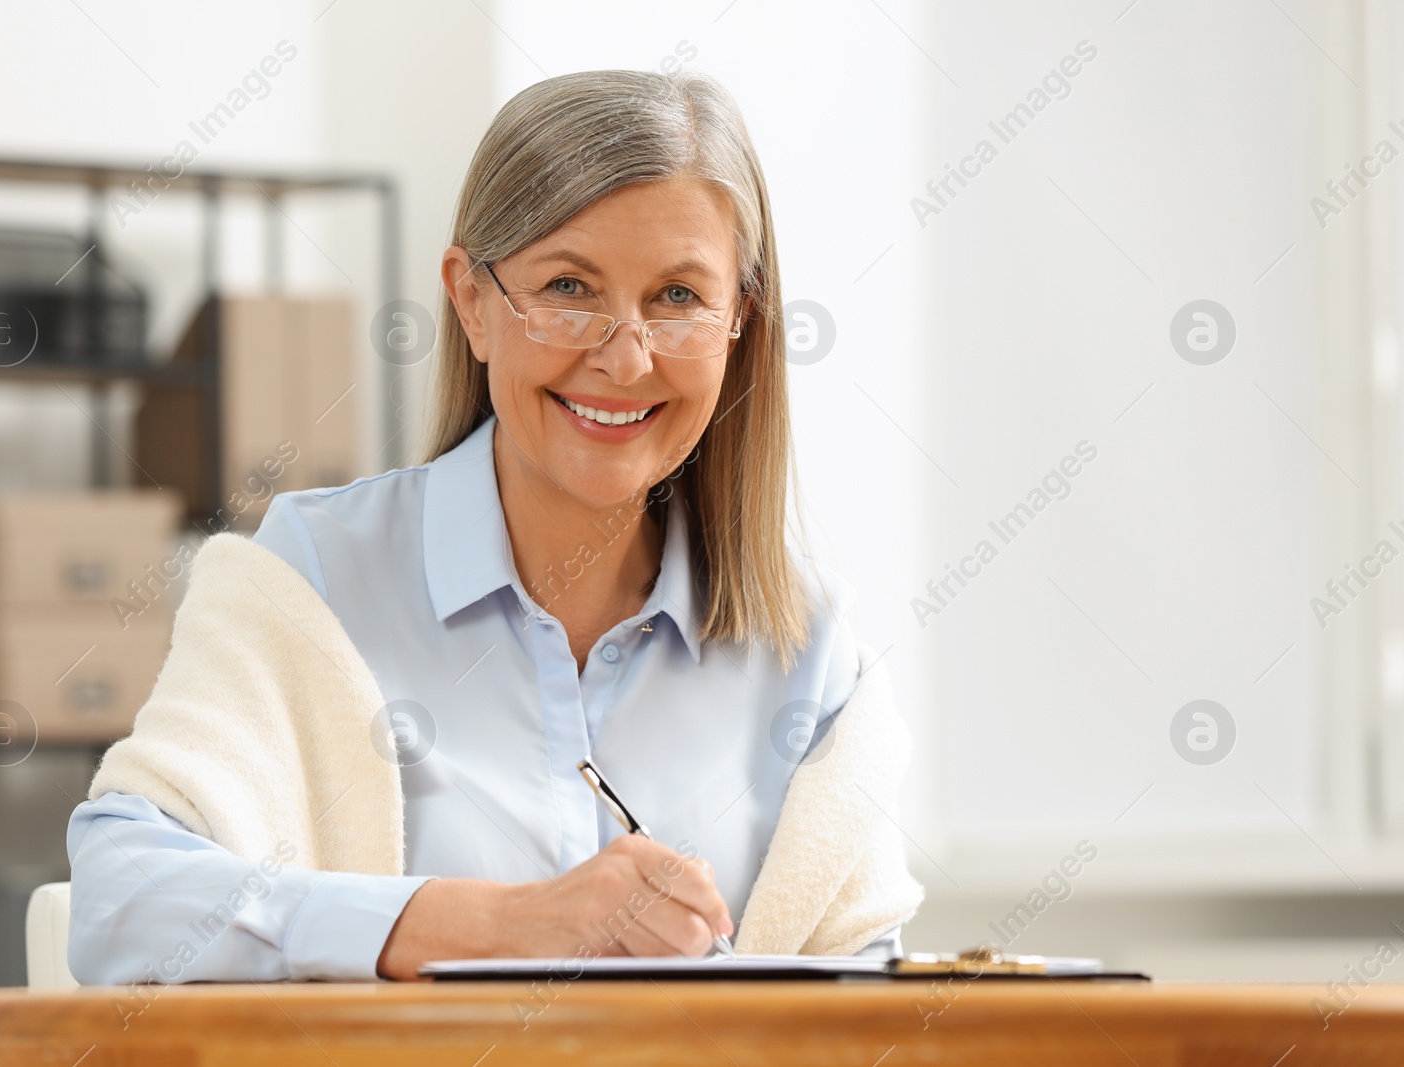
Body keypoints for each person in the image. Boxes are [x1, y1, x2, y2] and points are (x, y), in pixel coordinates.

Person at [67, 67, 911, 984]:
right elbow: (123, 902)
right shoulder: (313, 579)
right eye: (569, 286)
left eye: (677, 297)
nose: (624, 360)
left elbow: (876, 1014)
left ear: (739, 321)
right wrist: (504, 923)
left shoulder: (811, 647)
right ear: (471, 300)